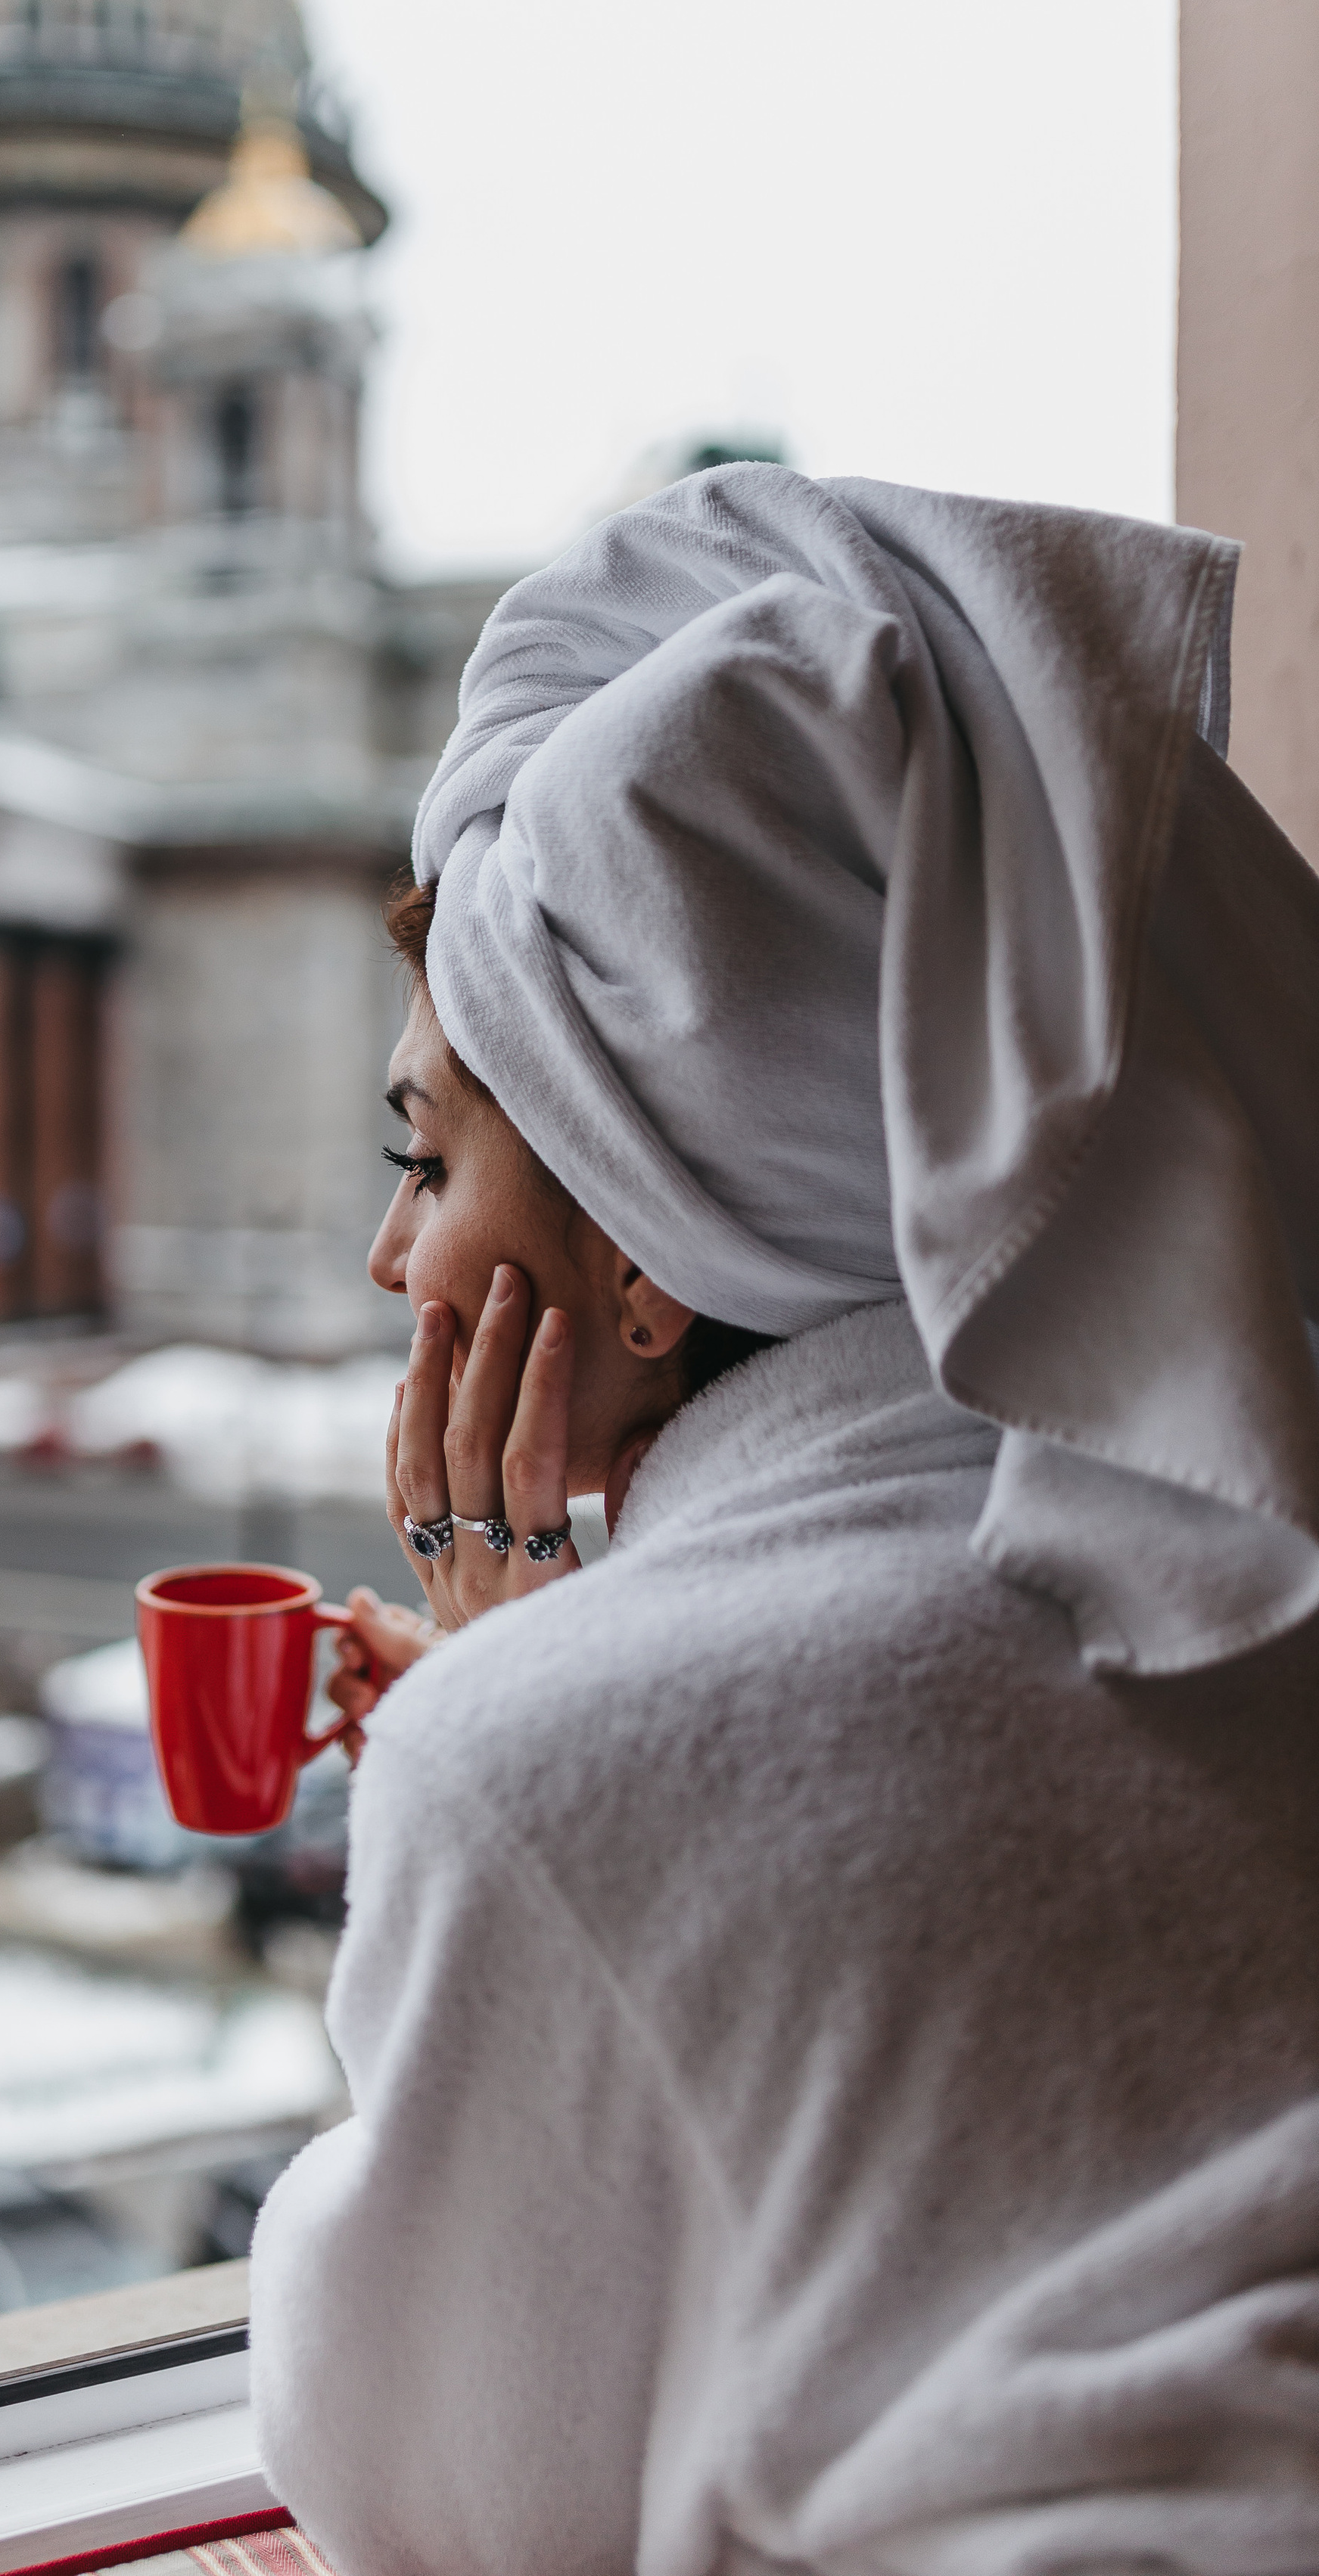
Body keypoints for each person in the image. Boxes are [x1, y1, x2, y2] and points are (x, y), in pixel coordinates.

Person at [247, 465, 1319, 2576]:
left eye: (429, 1159)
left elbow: (417, 2476)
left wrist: (516, 1693)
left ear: (651, 1246)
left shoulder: (545, 1766)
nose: (394, 1260)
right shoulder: (1258, 1537)